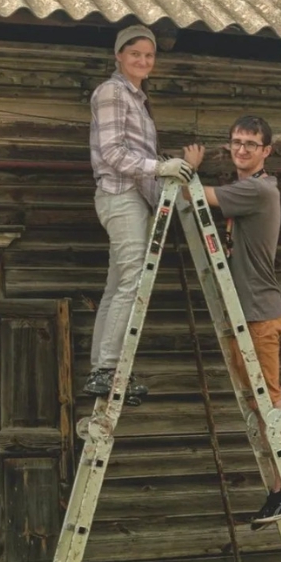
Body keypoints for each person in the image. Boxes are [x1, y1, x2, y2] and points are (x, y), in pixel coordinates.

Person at [182, 117, 281, 527]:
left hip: (258, 313)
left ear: (266, 151)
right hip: (248, 312)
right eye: (236, 142)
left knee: (271, 404)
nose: (241, 149)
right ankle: (280, 491)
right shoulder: (247, 188)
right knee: (260, 404)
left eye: (251, 144)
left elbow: (193, 195)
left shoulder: (257, 189)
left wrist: (186, 168)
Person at [85, 25, 193, 403]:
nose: (143, 61)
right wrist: (158, 168)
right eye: (135, 54)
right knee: (131, 282)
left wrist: (169, 165)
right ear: (119, 55)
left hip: (135, 197)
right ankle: (109, 370)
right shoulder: (113, 92)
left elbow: (137, 153)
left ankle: (103, 368)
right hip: (121, 195)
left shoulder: (137, 98)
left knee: (117, 286)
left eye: (149, 56)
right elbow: (113, 153)